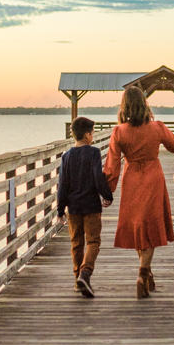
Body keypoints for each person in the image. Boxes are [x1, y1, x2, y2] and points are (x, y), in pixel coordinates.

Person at [105, 85, 174, 298]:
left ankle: (146, 273)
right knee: (150, 227)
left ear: (124, 106)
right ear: (144, 104)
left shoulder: (119, 132)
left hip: (132, 179)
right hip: (153, 178)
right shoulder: (157, 127)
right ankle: (143, 274)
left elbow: (112, 165)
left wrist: (108, 191)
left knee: (138, 227)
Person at [56, 116, 114, 298]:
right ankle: (85, 273)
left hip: (73, 207)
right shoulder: (94, 153)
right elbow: (98, 177)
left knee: (76, 243)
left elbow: (62, 184)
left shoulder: (66, 156)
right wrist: (107, 195)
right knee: (93, 242)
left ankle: (77, 281)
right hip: (91, 206)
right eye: (93, 132)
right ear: (88, 135)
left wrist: (60, 209)